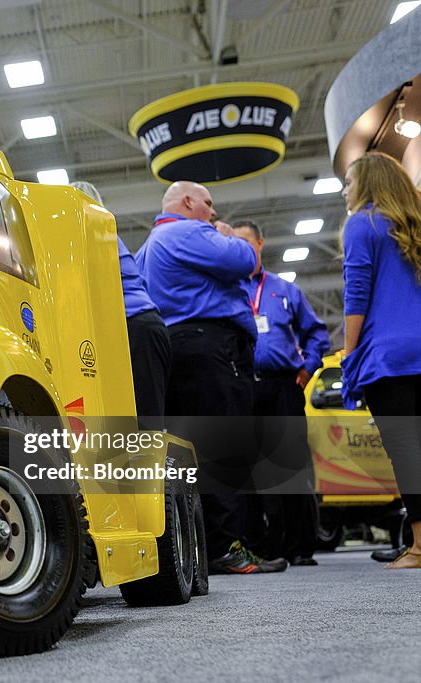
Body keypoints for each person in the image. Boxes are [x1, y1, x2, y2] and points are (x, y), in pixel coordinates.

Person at [136, 181, 287, 574]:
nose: (214, 212)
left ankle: (207, 548)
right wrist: (227, 236)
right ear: (187, 202)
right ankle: (227, 548)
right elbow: (246, 259)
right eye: (208, 203)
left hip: (176, 350)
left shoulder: (148, 246)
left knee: (192, 453)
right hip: (210, 349)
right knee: (224, 448)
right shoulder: (188, 230)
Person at [231, 220, 329, 566]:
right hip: (243, 386)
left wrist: (307, 369)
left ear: (260, 242)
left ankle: (300, 546)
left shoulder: (284, 290)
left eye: (245, 242)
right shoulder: (227, 289)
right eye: (233, 243)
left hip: (282, 386)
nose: (240, 249)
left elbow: (317, 334)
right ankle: (259, 546)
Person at [340, 151, 421, 570]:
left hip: (389, 356)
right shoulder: (416, 224)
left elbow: (357, 293)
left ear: (368, 184)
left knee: (407, 451)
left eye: (350, 183)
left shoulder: (362, 223)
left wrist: (350, 355)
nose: (346, 191)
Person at [73, 181, 170, 430]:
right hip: (144, 324)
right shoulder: (108, 232)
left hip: (133, 326)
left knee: (143, 422)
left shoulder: (88, 228)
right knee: (142, 417)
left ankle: (148, 468)